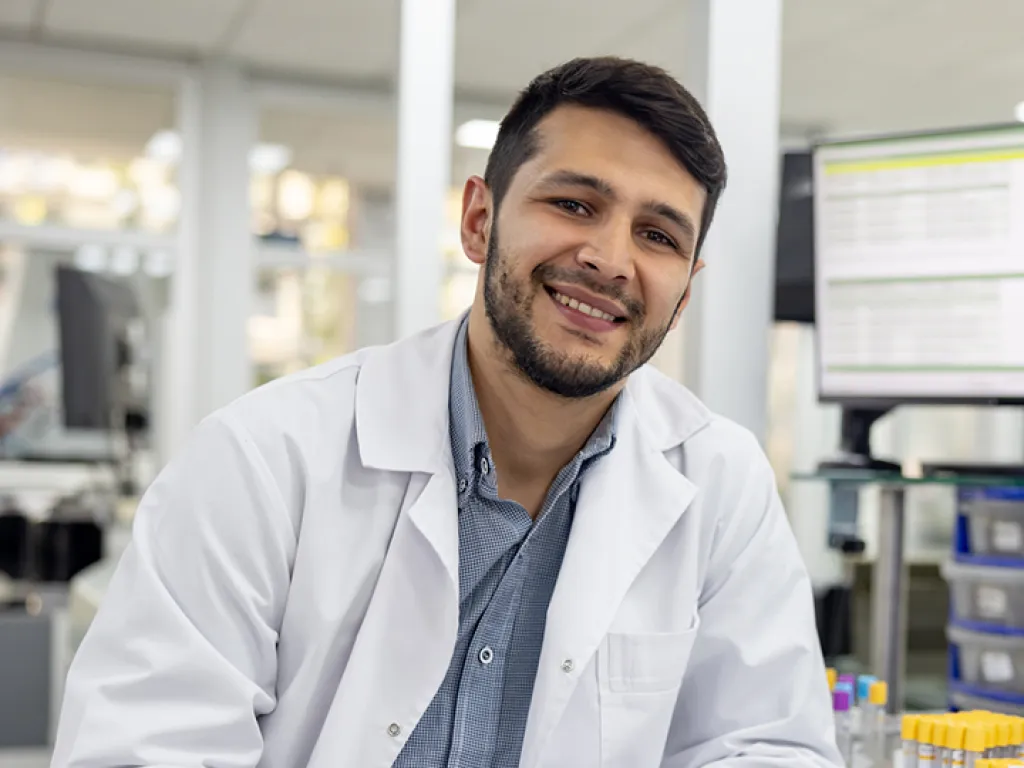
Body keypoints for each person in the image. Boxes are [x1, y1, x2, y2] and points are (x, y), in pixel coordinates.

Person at [52, 57, 842, 768]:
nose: (609, 259)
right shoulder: (264, 458)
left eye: (657, 234)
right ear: (478, 220)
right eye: (573, 203)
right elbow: (143, 748)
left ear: (687, 285)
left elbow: (767, 745)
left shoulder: (721, 483)